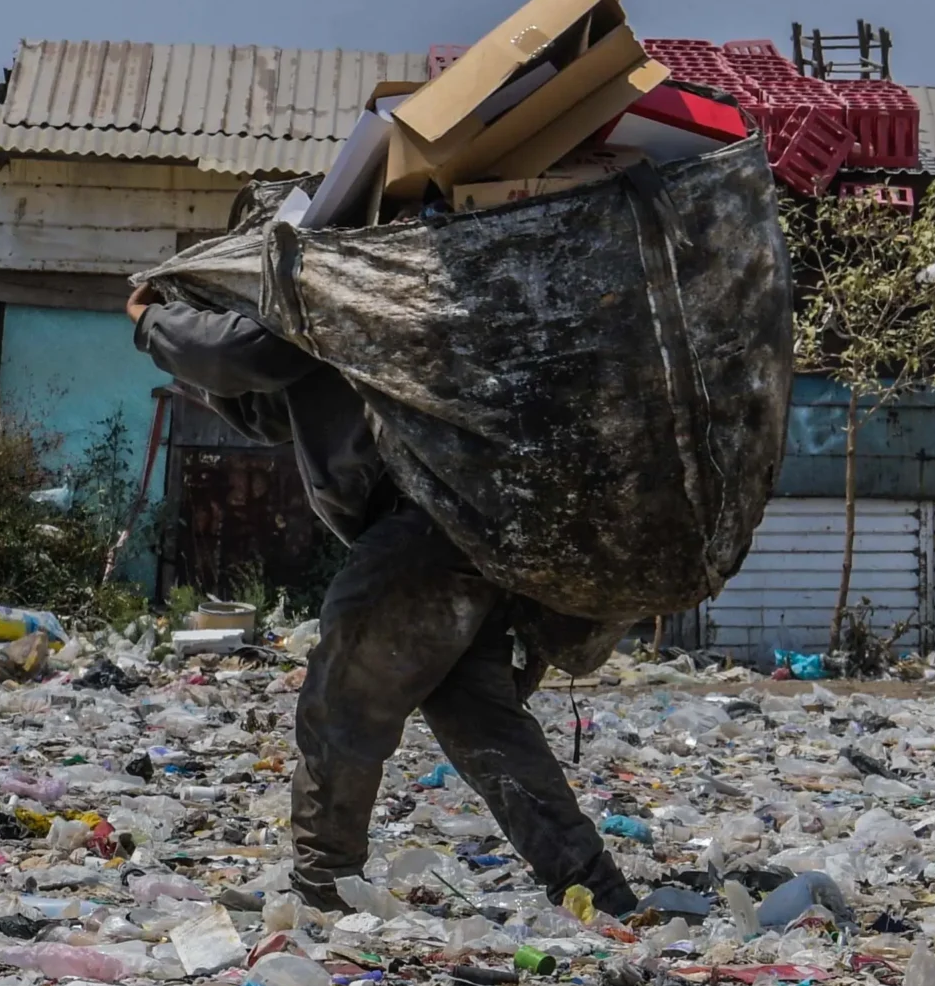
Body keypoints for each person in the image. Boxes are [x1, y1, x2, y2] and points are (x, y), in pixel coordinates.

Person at [127, 282, 641, 917]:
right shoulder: (376, 304)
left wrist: (150, 319)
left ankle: (325, 887)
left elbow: (243, 354)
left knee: (341, 699)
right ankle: (599, 891)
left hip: (423, 519)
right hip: (474, 522)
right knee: (482, 724)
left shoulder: (328, 280)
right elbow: (263, 404)